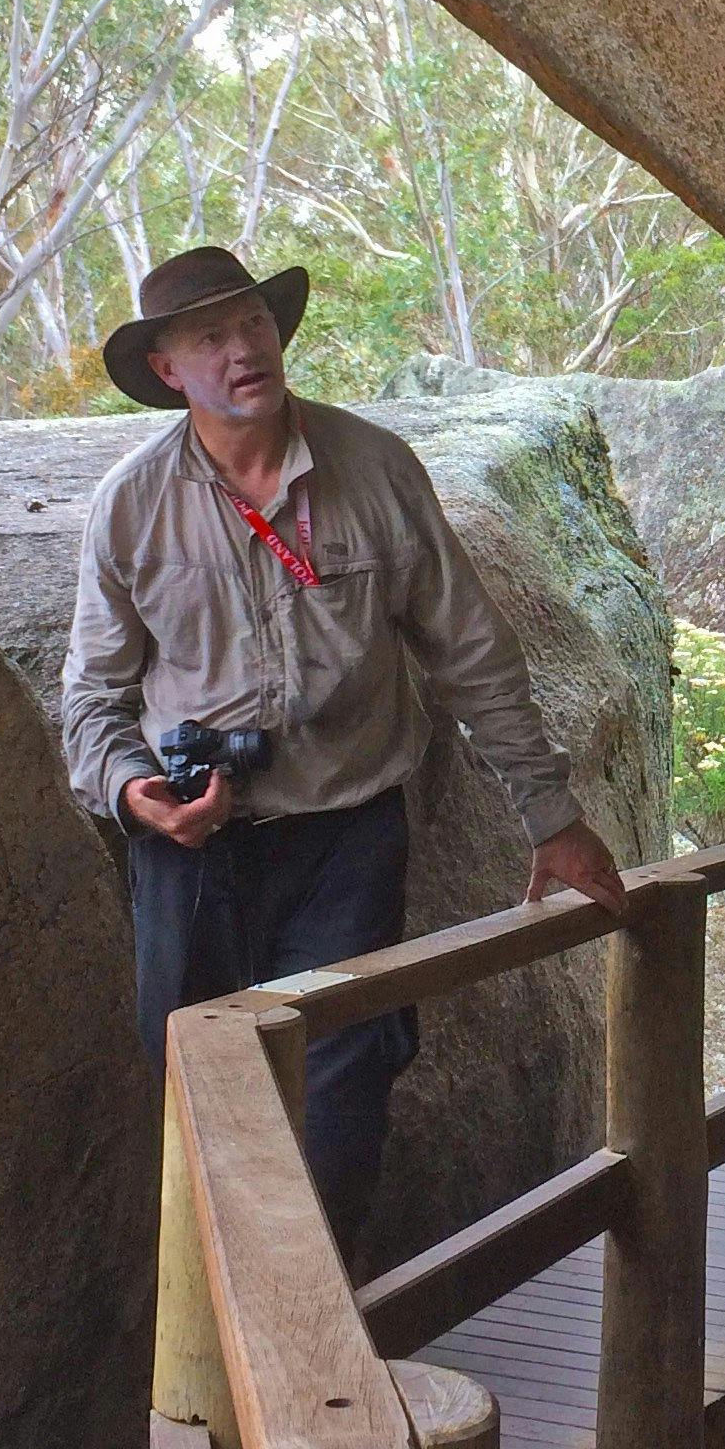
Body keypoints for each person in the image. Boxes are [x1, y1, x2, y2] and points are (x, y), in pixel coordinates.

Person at [63, 244, 628, 1259]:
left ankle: (322, 1329)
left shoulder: (374, 470)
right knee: (195, 1092)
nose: (243, 351)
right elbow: (94, 702)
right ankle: (212, 1365)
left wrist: (557, 819)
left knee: (345, 1084)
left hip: (346, 838)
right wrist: (136, 791)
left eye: (254, 325)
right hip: (188, 853)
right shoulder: (131, 506)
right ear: (167, 370)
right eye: (210, 339)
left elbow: (473, 657)